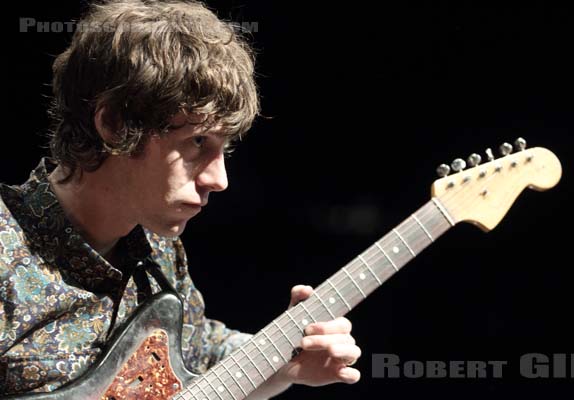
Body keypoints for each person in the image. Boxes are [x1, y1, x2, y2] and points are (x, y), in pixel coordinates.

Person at [0, 0, 361, 397]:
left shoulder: (159, 250)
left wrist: (287, 364)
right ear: (115, 125)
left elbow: (200, 357)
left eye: (224, 148)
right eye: (198, 142)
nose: (219, 179)